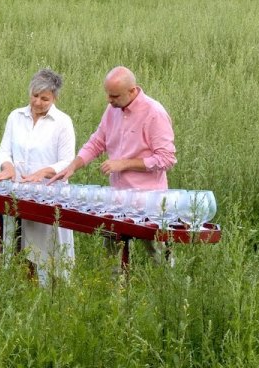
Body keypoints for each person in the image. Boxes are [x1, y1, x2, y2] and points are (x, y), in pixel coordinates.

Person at [48, 66, 176, 267]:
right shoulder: (113, 109)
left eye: (114, 96)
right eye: (108, 95)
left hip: (149, 201)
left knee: (159, 257)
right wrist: (72, 166)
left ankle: (170, 293)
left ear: (132, 91)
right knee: (113, 258)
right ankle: (116, 296)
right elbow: (97, 142)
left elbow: (166, 158)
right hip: (117, 199)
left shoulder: (154, 113)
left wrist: (124, 164)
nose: (109, 100)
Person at [0, 68, 76, 285]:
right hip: (19, 192)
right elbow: (3, 151)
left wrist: (44, 171)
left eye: (44, 98)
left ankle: (52, 292)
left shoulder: (62, 122)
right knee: (18, 244)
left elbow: (67, 161)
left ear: (55, 98)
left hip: (50, 195)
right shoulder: (16, 116)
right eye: (34, 96)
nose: (37, 102)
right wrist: (8, 167)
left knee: (49, 251)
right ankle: (22, 287)